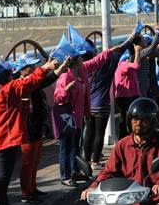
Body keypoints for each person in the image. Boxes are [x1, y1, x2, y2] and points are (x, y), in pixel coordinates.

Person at [0, 57, 61, 205]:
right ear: (4, 75)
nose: (12, 73)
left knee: (1, 175)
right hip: (4, 139)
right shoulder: (8, 88)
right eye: (9, 72)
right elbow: (29, 83)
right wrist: (45, 67)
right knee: (2, 177)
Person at [81, 98, 159, 205]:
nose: (138, 123)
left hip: (158, 202)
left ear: (153, 122)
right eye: (135, 119)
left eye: (144, 120)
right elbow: (109, 171)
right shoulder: (122, 145)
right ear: (129, 121)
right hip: (129, 202)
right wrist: (94, 187)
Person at [53, 43, 123, 187]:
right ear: (76, 61)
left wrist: (110, 51)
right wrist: (66, 90)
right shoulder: (65, 77)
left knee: (75, 146)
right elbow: (58, 98)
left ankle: (74, 170)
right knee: (66, 147)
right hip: (67, 119)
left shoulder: (82, 71)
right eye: (79, 57)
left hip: (78, 117)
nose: (82, 59)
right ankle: (65, 176)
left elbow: (96, 61)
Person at [14, 53, 63, 204]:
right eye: (31, 66)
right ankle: (25, 192)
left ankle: (32, 188)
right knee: (27, 161)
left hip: (37, 125)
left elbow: (47, 79)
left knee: (35, 159)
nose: (34, 68)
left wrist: (62, 67)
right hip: (27, 127)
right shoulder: (20, 83)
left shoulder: (33, 82)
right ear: (23, 69)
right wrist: (45, 68)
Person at [84, 35, 133, 170]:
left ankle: (86, 160)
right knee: (99, 133)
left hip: (88, 105)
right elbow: (120, 51)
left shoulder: (83, 68)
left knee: (89, 132)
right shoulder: (106, 66)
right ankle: (95, 161)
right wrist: (131, 39)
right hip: (102, 104)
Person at [115, 42, 144, 138]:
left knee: (128, 119)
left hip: (129, 96)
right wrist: (137, 51)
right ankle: (124, 139)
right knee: (126, 120)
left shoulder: (125, 66)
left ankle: (127, 137)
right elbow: (136, 66)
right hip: (126, 97)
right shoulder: (123, 65)